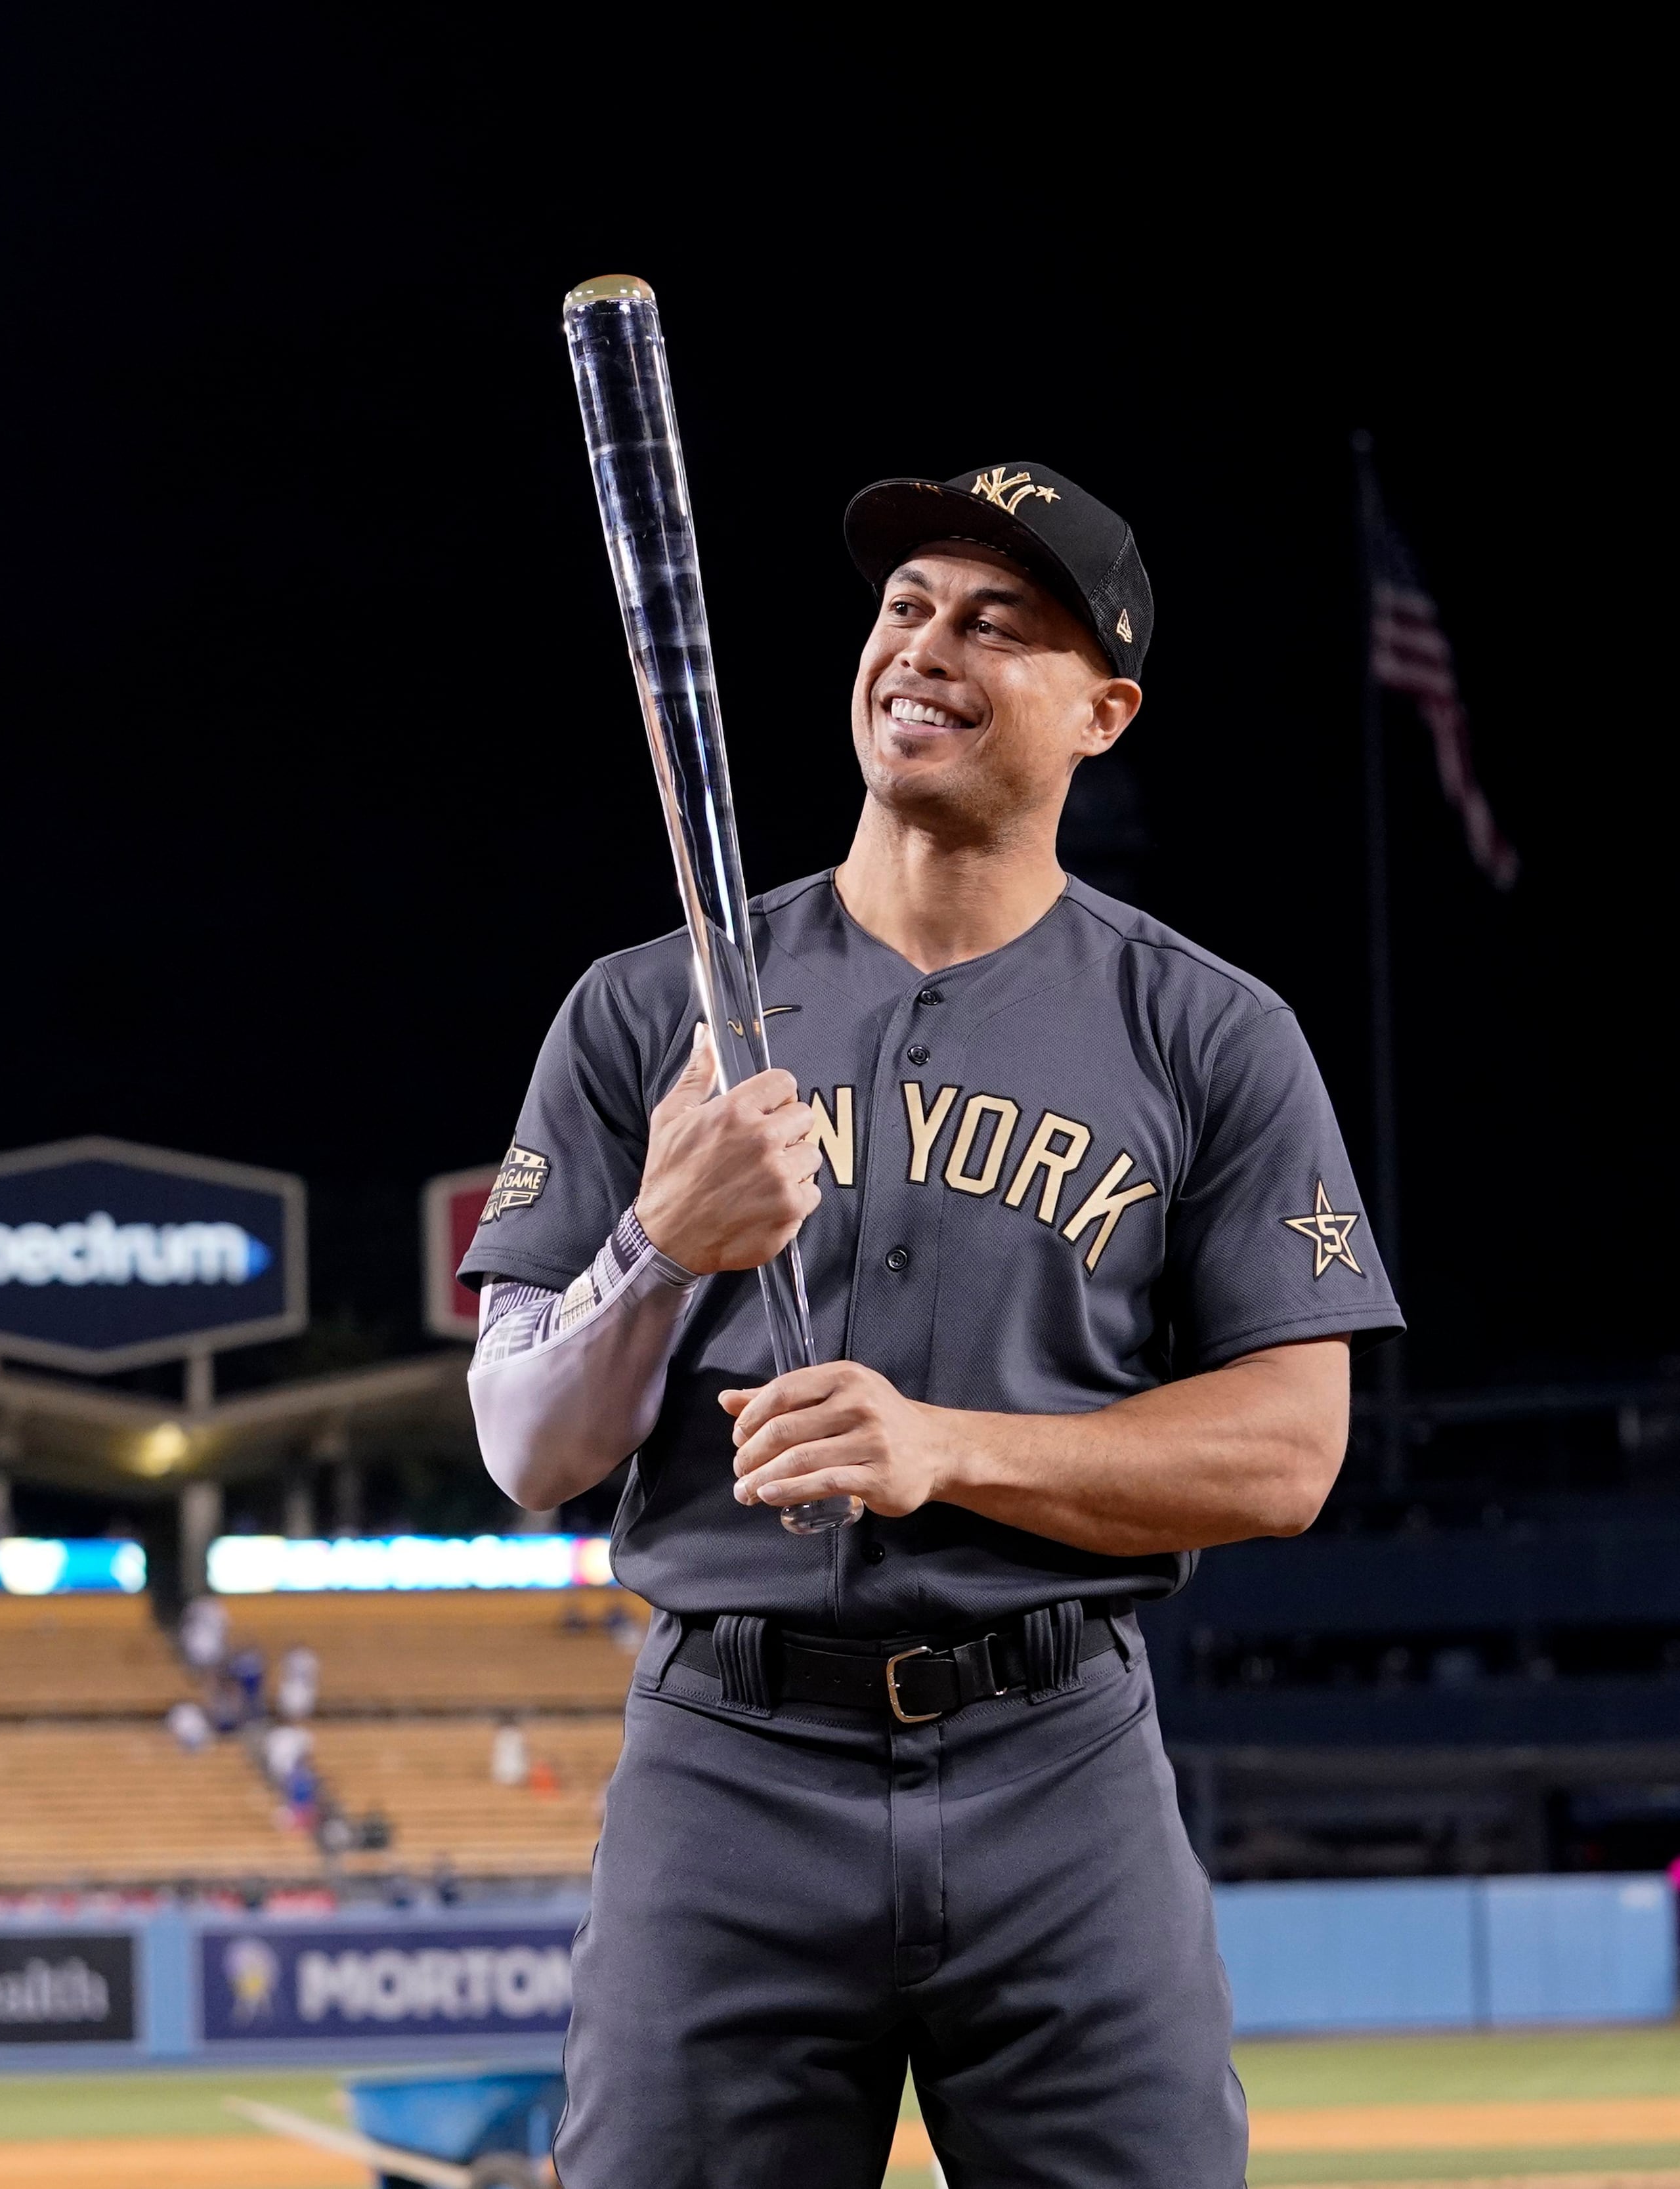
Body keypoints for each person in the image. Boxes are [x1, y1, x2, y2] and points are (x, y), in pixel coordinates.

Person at [463, 461, 1399, 2184]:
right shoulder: (641, 1011)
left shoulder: (1206, 1032)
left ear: (1103, 710)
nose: (928, 646)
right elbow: (525, 1446)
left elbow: (1287, 1452)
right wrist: (663, 1247)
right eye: (906, 606)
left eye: (1000, 624)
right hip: (728, 1764)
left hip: (1063, 1759)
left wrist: (943, 1445)